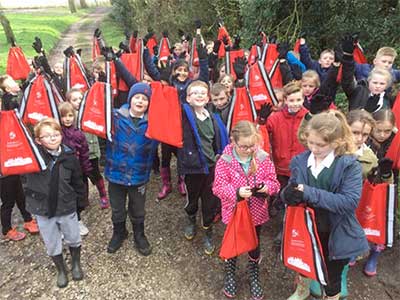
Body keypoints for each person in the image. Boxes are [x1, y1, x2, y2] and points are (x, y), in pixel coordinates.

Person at [282, 110, 368, 300]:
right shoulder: (300, 161)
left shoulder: (349, 165)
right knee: (303, 263)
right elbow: (293, 187)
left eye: (320, 145)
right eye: (310, 143)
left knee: (331, 278)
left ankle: (331, 296)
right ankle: (302, 290)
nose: (314, 148)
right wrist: (287, 195)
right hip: (306, 228)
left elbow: (348, 202)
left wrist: (307, 192)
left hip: (334, 231)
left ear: (335, 142)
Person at [213, 120, 280, 300]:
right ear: (233, 142)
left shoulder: (264, 158)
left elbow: (275, 183)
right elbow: (217, 187)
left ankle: (253, 271)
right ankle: (230, 272)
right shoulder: (225, 160)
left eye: (252, 145)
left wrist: (267, 188)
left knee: (255, 242)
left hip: (256, 212)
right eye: (244, 147)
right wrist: (236, 192)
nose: (249, 150)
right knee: (234, 241)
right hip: (233, 211)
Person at [25, 118, 85, 288]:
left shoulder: (69, 157)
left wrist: (80, 203)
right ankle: (60, 269)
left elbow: (77, 181)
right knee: (51, 241)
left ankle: (75, 263)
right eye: (47, 136)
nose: (53, 138)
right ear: (38, 140)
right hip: (43, 209)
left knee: (73, 237)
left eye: (56, 134)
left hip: (66, 206)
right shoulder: (33, 158)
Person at [105, 82, 158, 256]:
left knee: (138, 208)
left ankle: (139, 234)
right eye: (137, 97)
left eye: (145, 99)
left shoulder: (154, 123)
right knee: (118, 208)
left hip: (139, 175)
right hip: (116, 174)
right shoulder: (115, 117)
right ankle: (119, 232)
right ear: (130, 99)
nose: (140, 101)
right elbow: (96, 113)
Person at [178, 80, 226, 255]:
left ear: (208, 98)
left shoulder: (214, 118)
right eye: (194, 93)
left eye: (202, 93)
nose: (199, 95)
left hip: (211, 168)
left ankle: (207, 229)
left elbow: (220, 141)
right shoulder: (184, 115)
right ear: (188, 98)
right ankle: (191, 218)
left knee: (210, 201)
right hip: (192, 168)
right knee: (192, 198)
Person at [0, 75, 39, 241]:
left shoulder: (4, 114)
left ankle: (28, 220)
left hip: (14, 165)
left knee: (20, 195)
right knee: (8, 201)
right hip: (3, 171)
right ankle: (7, 229)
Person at [66, 88, 110, 211]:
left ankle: (103, 195)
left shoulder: (90, 112)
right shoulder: (69, 118)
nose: (78, 101)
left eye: (81, 98)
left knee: (95, 174)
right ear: (69, 102)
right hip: (77, 155)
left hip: (91, 152)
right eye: (75, 100)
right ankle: (84, 199)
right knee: (81, 177)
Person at [341, 35, 395, 112]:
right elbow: (347, 78)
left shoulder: (390, 98)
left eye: (382, 83)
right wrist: (347, 56)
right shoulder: (358, 90)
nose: (378, 86)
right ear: (369, 81)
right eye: (375, 82)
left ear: (387, 85)